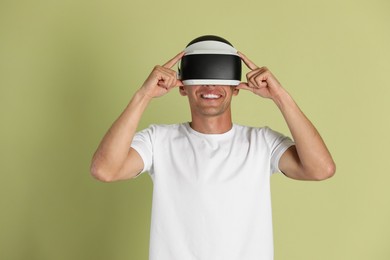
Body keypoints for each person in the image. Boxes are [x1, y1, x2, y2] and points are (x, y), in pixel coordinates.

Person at [90, 36, 336, 260]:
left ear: (235, 87)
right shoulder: (159, 141)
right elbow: (105, 170)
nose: (210, 86)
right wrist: (143, 95)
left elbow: (321, 168)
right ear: (182, 85)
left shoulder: (261, 143)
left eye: (219, 77)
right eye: (200, 77)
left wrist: (281, 96)